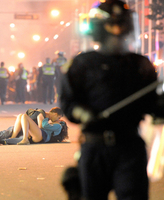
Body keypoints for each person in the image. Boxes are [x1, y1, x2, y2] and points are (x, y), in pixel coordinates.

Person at [59, 0, 164, 199]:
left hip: (130, 147)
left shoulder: (140, 65)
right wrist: (84, 113)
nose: (117, 31)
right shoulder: (82, 64)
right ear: (100, 28)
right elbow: (68, 103)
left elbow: (152, 106)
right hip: (94, 148)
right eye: (111, 26)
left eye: (121, 25)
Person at [0, 107, 68, 146]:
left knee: (22, 117)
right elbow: (41, 125)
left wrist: (44, 118)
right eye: (58, 117)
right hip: (26, 130)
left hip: (34, 134)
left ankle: (23, 138)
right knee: (19, 118)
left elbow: (41, 126)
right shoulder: (41, 114)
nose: (58, 119)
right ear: (55, 114)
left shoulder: (56, 124)